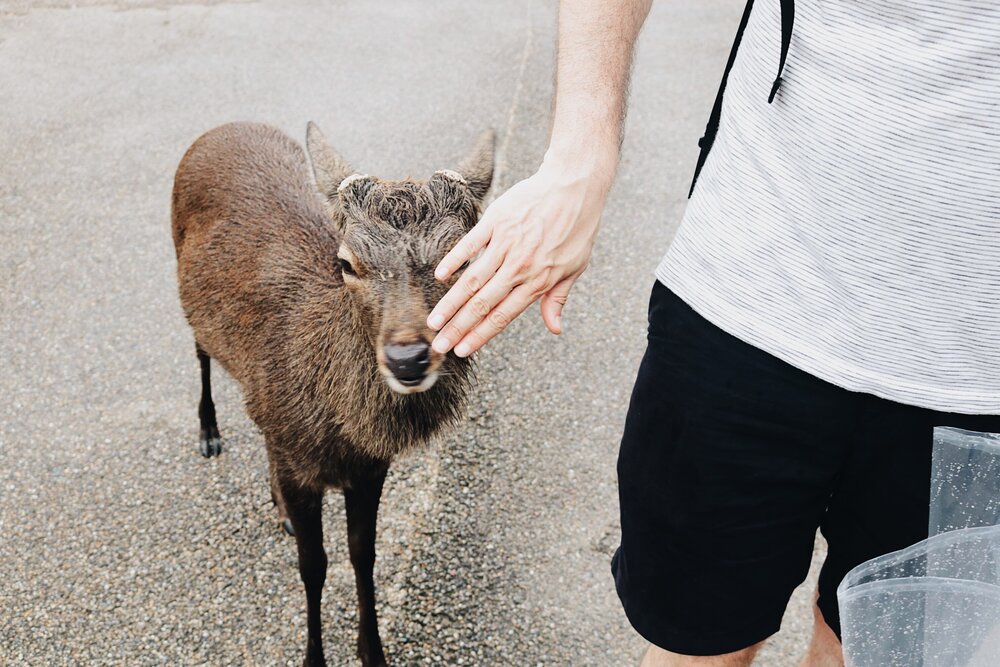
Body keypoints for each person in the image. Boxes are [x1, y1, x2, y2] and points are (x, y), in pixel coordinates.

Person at [426, 0, 1000, 665]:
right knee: (695, 645)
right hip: (748, 300)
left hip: (976, 372)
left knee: (877, 651)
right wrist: (581, 152)